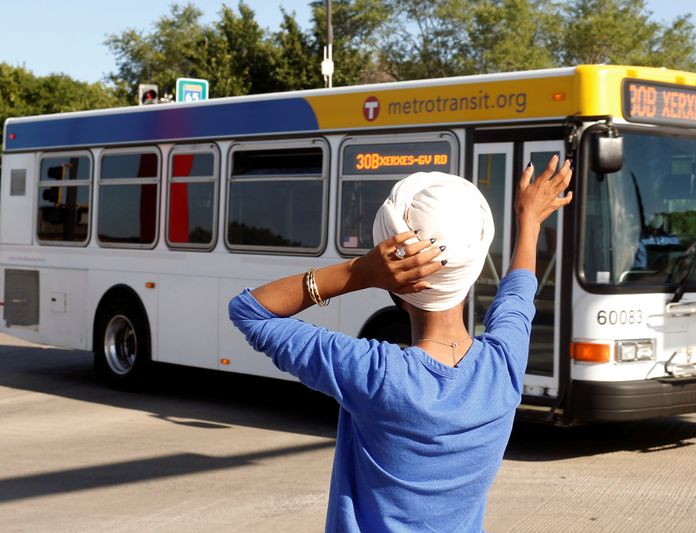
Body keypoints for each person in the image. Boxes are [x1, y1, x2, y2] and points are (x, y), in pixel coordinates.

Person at [228, 155, 572, 532]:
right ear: (471, 273)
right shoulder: (503, 364)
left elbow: (249, 311)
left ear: (394, 281)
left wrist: (357, 272)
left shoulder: (375, 374)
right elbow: (518, 291)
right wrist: (530, 222)